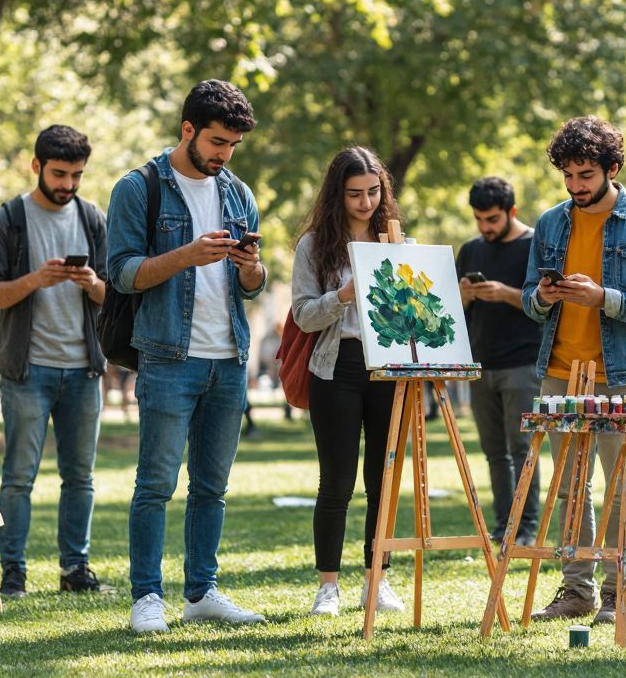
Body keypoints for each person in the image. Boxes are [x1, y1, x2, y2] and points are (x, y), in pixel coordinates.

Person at [107, 80, 269, 634]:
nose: (224, 154)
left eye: (233, 145)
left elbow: (252, 283)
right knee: (155, 484)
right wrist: (186, 255)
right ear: (188, 130)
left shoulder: (236, 192)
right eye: (218, 142)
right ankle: (146, 596)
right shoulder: (138, 188)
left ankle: (202, 591)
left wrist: (252, 271)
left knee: (212, 487)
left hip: (228, 357)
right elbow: (123, 273)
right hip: (168, 355)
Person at [524, 116, 626, 626]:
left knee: (618, 487)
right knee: (569, 488)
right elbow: (529, 299)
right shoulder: (550, 223)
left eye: (585, 175)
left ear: (613, 169)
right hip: (559, 368)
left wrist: (604, 298)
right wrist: (543, 297)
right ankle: (576, 589)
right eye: (567, 176)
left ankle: (617, 593)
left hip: (619, 371)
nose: (575, 187)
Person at [0, 125, 111, 599]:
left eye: (76, 175)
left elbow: (114, 294)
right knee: (18, 476)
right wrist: (35, 280)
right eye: (59, 173)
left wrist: (91, 282)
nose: (69, 184)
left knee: (80, 476)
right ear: (37, 166)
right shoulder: (8, 220)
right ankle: (14, 571)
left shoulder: (94, 219)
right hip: (26, 370)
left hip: (82, 369)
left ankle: (76, 568)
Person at [290, 147, 407, 617]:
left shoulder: (396, 241)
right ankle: (328, 587)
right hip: (336, 367)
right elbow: (303, 314)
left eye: (374, 192)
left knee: (382, 481)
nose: (366, 203)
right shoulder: (314, 246)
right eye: (355, 194)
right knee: (336, 482)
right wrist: (342, 295)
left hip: (388, 369)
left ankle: (376, 581)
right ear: (337, 195)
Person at [456, 176, 544, 547]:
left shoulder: (534, 246)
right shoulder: (471, 250)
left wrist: (507, 294)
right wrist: (463, 296)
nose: (485, 227)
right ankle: (504, 524)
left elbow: (546, 305)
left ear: (512, 212)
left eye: (492, 219)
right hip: (481, 364)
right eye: (479, 219)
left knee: (523, 448)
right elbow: (453, 313)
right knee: (494, 452)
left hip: (523, 363)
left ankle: (526, 526)